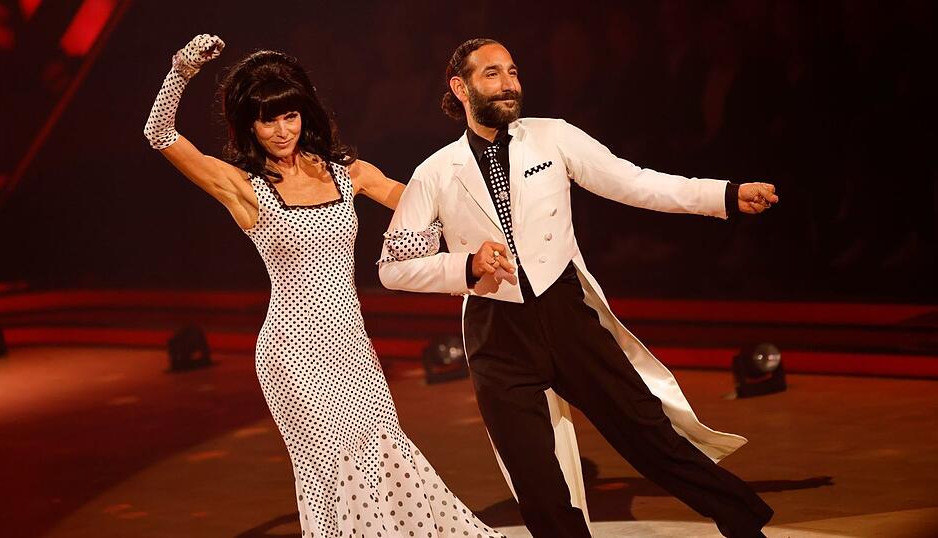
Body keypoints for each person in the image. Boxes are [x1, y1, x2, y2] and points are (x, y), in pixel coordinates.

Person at [378, 38, 778, 538]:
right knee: (536, 484)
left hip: (566, 314)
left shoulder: (553, 137)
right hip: (496, 334)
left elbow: (637, 183)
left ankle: (743, 522)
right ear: (460, 88)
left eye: (513, 71)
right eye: (492, 74)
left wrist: (725, 195)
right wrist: (465, 266)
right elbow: (393, 267)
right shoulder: (435, 172)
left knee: (651, 439)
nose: (508, 84)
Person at [143, 34, 503, 538]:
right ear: (250, 125)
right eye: (268, 120)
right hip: (291, 355)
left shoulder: (348, 173)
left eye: (290, 116)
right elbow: (158, 133)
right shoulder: (243, 187)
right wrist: (181, 70)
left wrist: (480, 243)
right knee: (330, 470)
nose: (282, 130)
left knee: (383, 455)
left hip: (352, 347)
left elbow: (424, 205)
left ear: (304, 114)